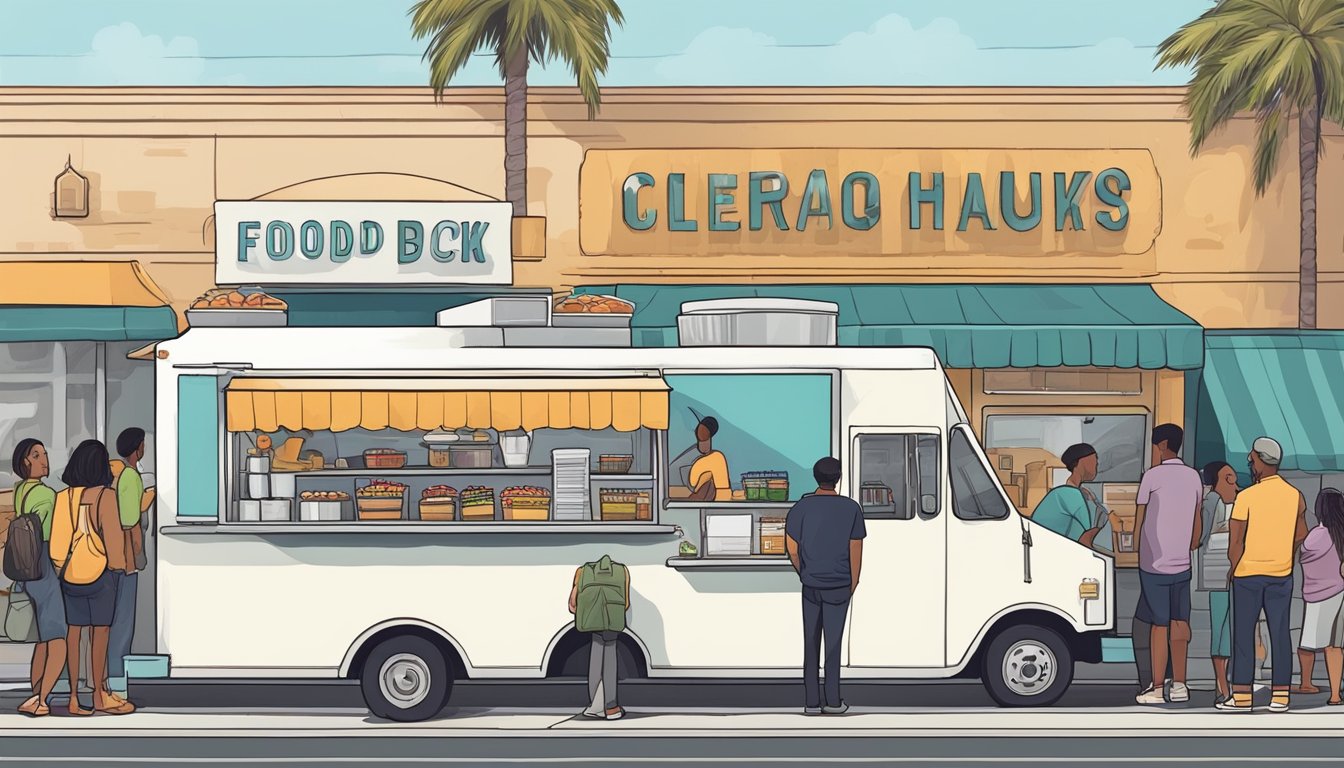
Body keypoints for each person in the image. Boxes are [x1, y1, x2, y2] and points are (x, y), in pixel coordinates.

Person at [1219, 437, 1307, 713]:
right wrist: (1286, 553)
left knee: (1243, 634)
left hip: (1248, 575)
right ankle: (1281, 696)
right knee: (1280, 634)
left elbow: (1235, 541)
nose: (1250, 463)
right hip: (1281, 573)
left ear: (1259, 461)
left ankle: (1243, 696)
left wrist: (1234, 568)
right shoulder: (1294, 495)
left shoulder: (1246, 497)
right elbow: (1302, 533)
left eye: (1252, 460)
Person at [51, 439, 135, 716]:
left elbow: (58, 547)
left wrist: (62, 569)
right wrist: (119, 567)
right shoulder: (106, 496)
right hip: (101, 576)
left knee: (74, 635)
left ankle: (74, 697)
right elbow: (113, 542)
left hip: (70, 575)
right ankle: (99, 694)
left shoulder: (64, 498)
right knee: (100, 635)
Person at [785, 457, 865, 715]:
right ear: (838, 478)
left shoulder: (800, 508)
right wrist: (852, 583)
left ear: (815, 477)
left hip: (811, 585)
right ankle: (833, 701)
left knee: (810, 643)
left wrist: (803, 572)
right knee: (833, 645)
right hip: (839, 585)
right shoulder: (851, 508)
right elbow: (856, 549)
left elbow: (792, 548)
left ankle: (810, 702)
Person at [1134, 424, 1203, 706]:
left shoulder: (1152, 476)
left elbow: (1139, 521)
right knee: (1180, 622)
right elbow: (1197, 524)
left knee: (1158, 625)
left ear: (1162, 445)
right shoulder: (1193, 478)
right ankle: (1181, 685)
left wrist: (1135, 550)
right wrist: (1189, 546)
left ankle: (1157, 687)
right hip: (1181, 563)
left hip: (1153, 564)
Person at [10, 439, 66, 718]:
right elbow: (52, 535)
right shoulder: (47, 494)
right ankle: (42, 700)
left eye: (44, 454)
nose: (45, 459)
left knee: (42, 640)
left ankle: (35, 694)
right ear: (25, 462)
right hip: (43, 562)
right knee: (57, 638)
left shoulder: (20, 490)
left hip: (24, 565)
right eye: (37, 455)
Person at [107, 428, 148, 689]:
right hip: (125, 558)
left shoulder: (115, 473)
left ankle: (108, 673)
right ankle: (117, 676)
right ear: (138, 447)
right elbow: (131, 520)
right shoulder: (131, 476)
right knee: (123, 618)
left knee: (110, 618)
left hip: (110, 556)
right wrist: (138, 553)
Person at [1295, 488, 1344, 703]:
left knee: (1308, 641)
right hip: (1339, 593)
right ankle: (1335, 694)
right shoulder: (1340, 535)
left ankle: (1306, 682)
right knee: (1334, 646)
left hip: (1315, 595)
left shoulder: (1315, 535)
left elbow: (1303, 556)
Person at [569, 554, 629, 721]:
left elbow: (573, 605)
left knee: (596, 656)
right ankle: (611, 707)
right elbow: (626, 604)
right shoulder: (622, 571)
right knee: (610, 659)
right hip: (612, 622)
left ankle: (595, 705)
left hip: (592, 624)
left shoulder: (582, 572)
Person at [1199, 461, 1238, 706]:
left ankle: (1225, 686)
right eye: (1228, 478)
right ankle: (1223, 687)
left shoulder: (1234, 502)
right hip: (1220, 571)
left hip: (1231, 573)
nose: (1234, 484)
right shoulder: (1212, 500)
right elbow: (1201, 537)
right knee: (1222, 631)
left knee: (1229, 631)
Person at [1030, 443, 1105, 548]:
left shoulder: (1075, 492)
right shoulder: (1070, 494)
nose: (1097, 463)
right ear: (1082, 462)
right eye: (1094, 459)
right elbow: (1088, 536)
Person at [687, 416, 731, 502]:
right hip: (693, 482)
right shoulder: (716, 458)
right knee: (718, 458)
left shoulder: (711, 457)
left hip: (697, 483)